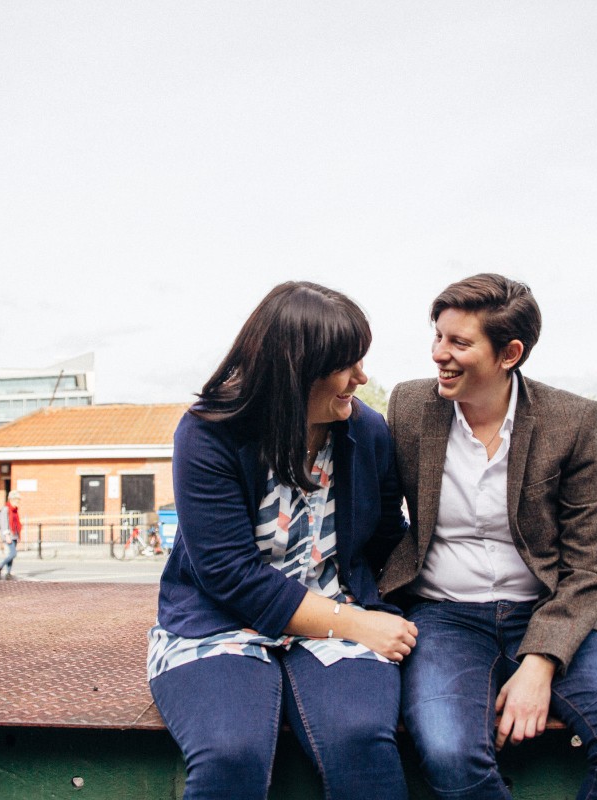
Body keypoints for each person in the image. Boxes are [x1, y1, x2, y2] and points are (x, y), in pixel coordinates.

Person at [379, 274, 597, 800]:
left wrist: (541, 662)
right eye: (438, 336)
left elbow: (591, 564)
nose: (438, 354)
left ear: (509, 353)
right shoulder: (407, 407)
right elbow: (377, 518)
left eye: (459, 343)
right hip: (443, 616)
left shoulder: (570, 419)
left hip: (546, 608)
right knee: (448, 753)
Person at [147, 281, 415, 800]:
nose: (362, 378)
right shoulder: (208, 433)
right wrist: (358, 624)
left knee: (362, 743)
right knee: (231, 753)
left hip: (341, 611)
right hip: (221, 621)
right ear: (295, 371)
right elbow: (227, 574)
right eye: (346, 365)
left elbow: (388, 539)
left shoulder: (367, 432)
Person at [0, 492, 21, 579]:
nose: (18, 502)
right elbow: (4, 522)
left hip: (15, 534)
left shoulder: (15, 509)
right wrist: (6, 535)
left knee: (11, 554)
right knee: (13, 554)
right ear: (12, 499)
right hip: (8, 535)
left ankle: (8, 572)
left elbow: (16, 523)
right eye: (17, 500)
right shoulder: (6, 509)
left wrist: (18, 535)